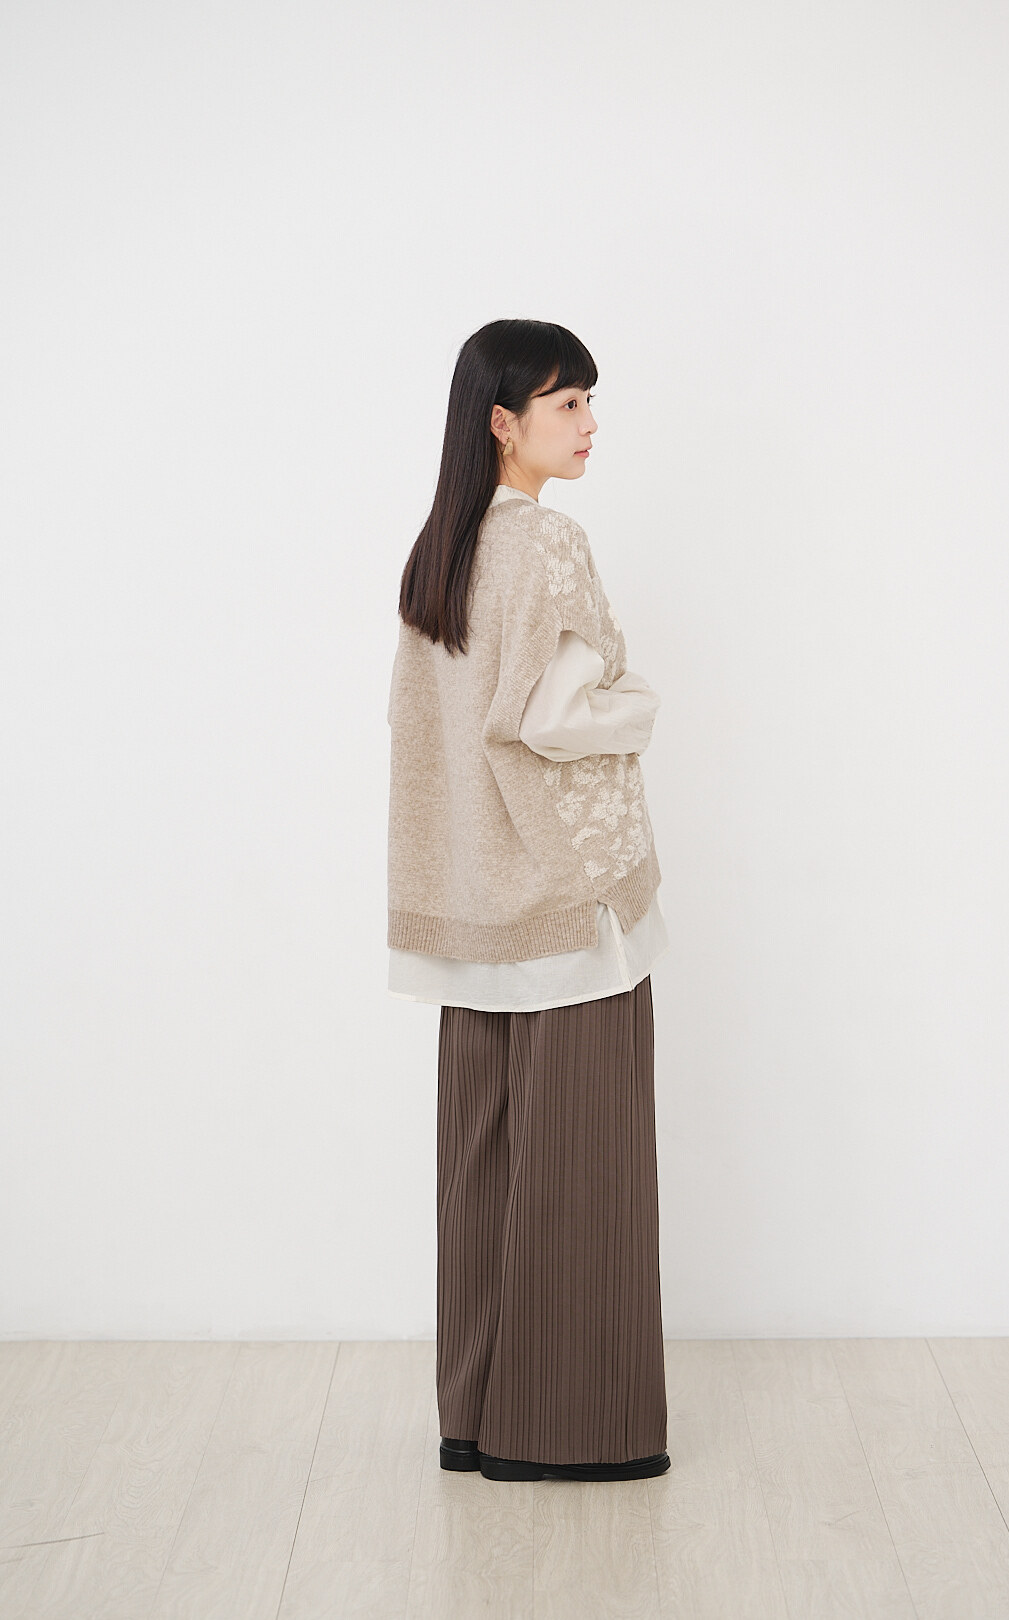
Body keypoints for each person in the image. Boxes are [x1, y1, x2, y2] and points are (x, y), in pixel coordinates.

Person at [386, 318, 671, 1483]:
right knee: (580, 1171)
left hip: (474, 903)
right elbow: (550, 718)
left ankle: (474, 1416)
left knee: (484, 1169)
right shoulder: (548, 544)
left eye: (590, 400)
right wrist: (639, 707)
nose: (591, 423)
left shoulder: (442, 552)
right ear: (503, 423)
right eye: (568, 403)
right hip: (563, 899)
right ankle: (566, 1432)